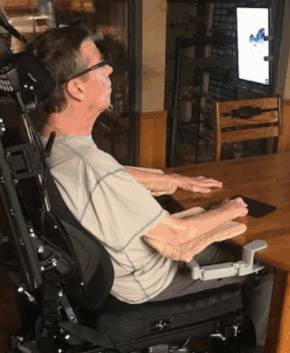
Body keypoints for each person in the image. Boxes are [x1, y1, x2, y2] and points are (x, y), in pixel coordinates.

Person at [26, 26, 272, 352]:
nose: (110, 70)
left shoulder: (50, 143)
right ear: (76, 88)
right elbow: (174, 237)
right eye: (99, 65)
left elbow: (111, 174)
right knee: (262, 267)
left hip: (115, 268)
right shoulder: (90, 168)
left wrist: (176, 181)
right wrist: (229, 209)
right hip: (148, 280)